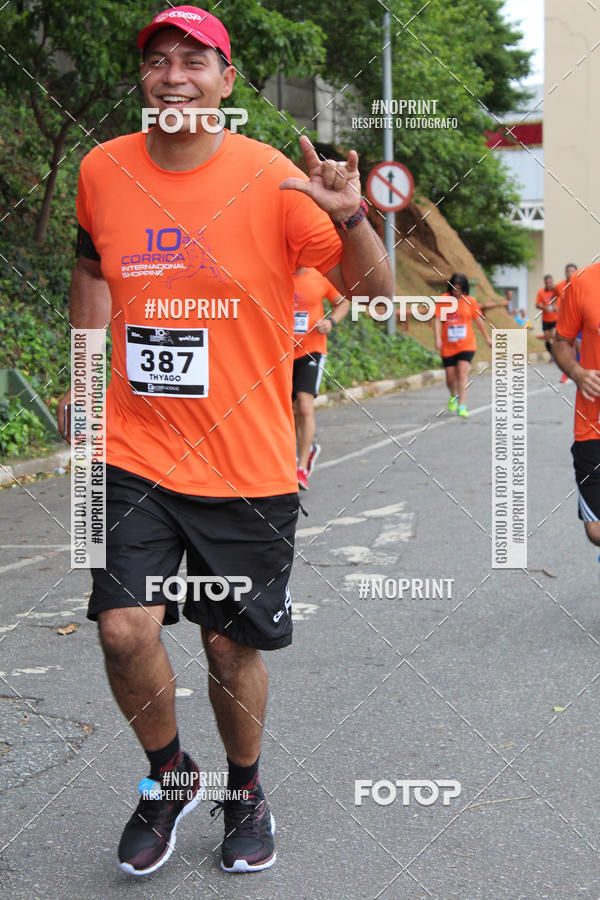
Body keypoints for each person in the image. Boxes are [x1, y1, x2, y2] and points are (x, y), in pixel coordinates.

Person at [57, 5, 392, 878]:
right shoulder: (102, 170)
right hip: (135, 451)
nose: (174, 75)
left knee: (227, 643)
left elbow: (371, 288)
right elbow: (93, 271)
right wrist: (85, 380)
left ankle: (246, 790)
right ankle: (170, 775)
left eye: (194, 61)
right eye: (158, 60)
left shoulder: (274, 177)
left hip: (246, 461)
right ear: (145, 79)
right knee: (125, 628)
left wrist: (353, 217)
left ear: (226, 79)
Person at [552, 265, 600, 544]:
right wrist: (579, 373)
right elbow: (561, 342)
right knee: (595, 530)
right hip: (592, 423)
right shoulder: (582, 282)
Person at [292, 267, 348, 490]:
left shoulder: (320, 277)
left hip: (312, 350)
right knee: (290, 411)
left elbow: (343, 302)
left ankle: (301, 468)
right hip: (282, 353)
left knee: (305, 407)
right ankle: (306, 450)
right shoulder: (278, 273)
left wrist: (331, 322)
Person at [433, 272, 492, 418]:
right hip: (448, 345)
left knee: (462, 373)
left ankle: (462, 406)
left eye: (459, 288)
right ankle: (454, 395)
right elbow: (436, 319)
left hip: (467, 344)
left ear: (464, 288)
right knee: (450, 378)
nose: (456, 291)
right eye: (454, 288)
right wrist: (437, 338)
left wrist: (487, 338)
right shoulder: (444, 299)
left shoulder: (470, 301)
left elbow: (478, 320)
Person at [536, 274, 559, 356]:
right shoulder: (541, 292)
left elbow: (561, 300)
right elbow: (537, 305)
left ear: (552, 281)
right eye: (547, 282)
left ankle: (555, 353)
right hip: (545, 319)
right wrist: (545, 308)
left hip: (555, 318)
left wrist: (556, 307)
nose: (548, 284)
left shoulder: (556, 291)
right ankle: (551, 353)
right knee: (546, 337)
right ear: (545, 283)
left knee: (553, 335)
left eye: (550, 282)